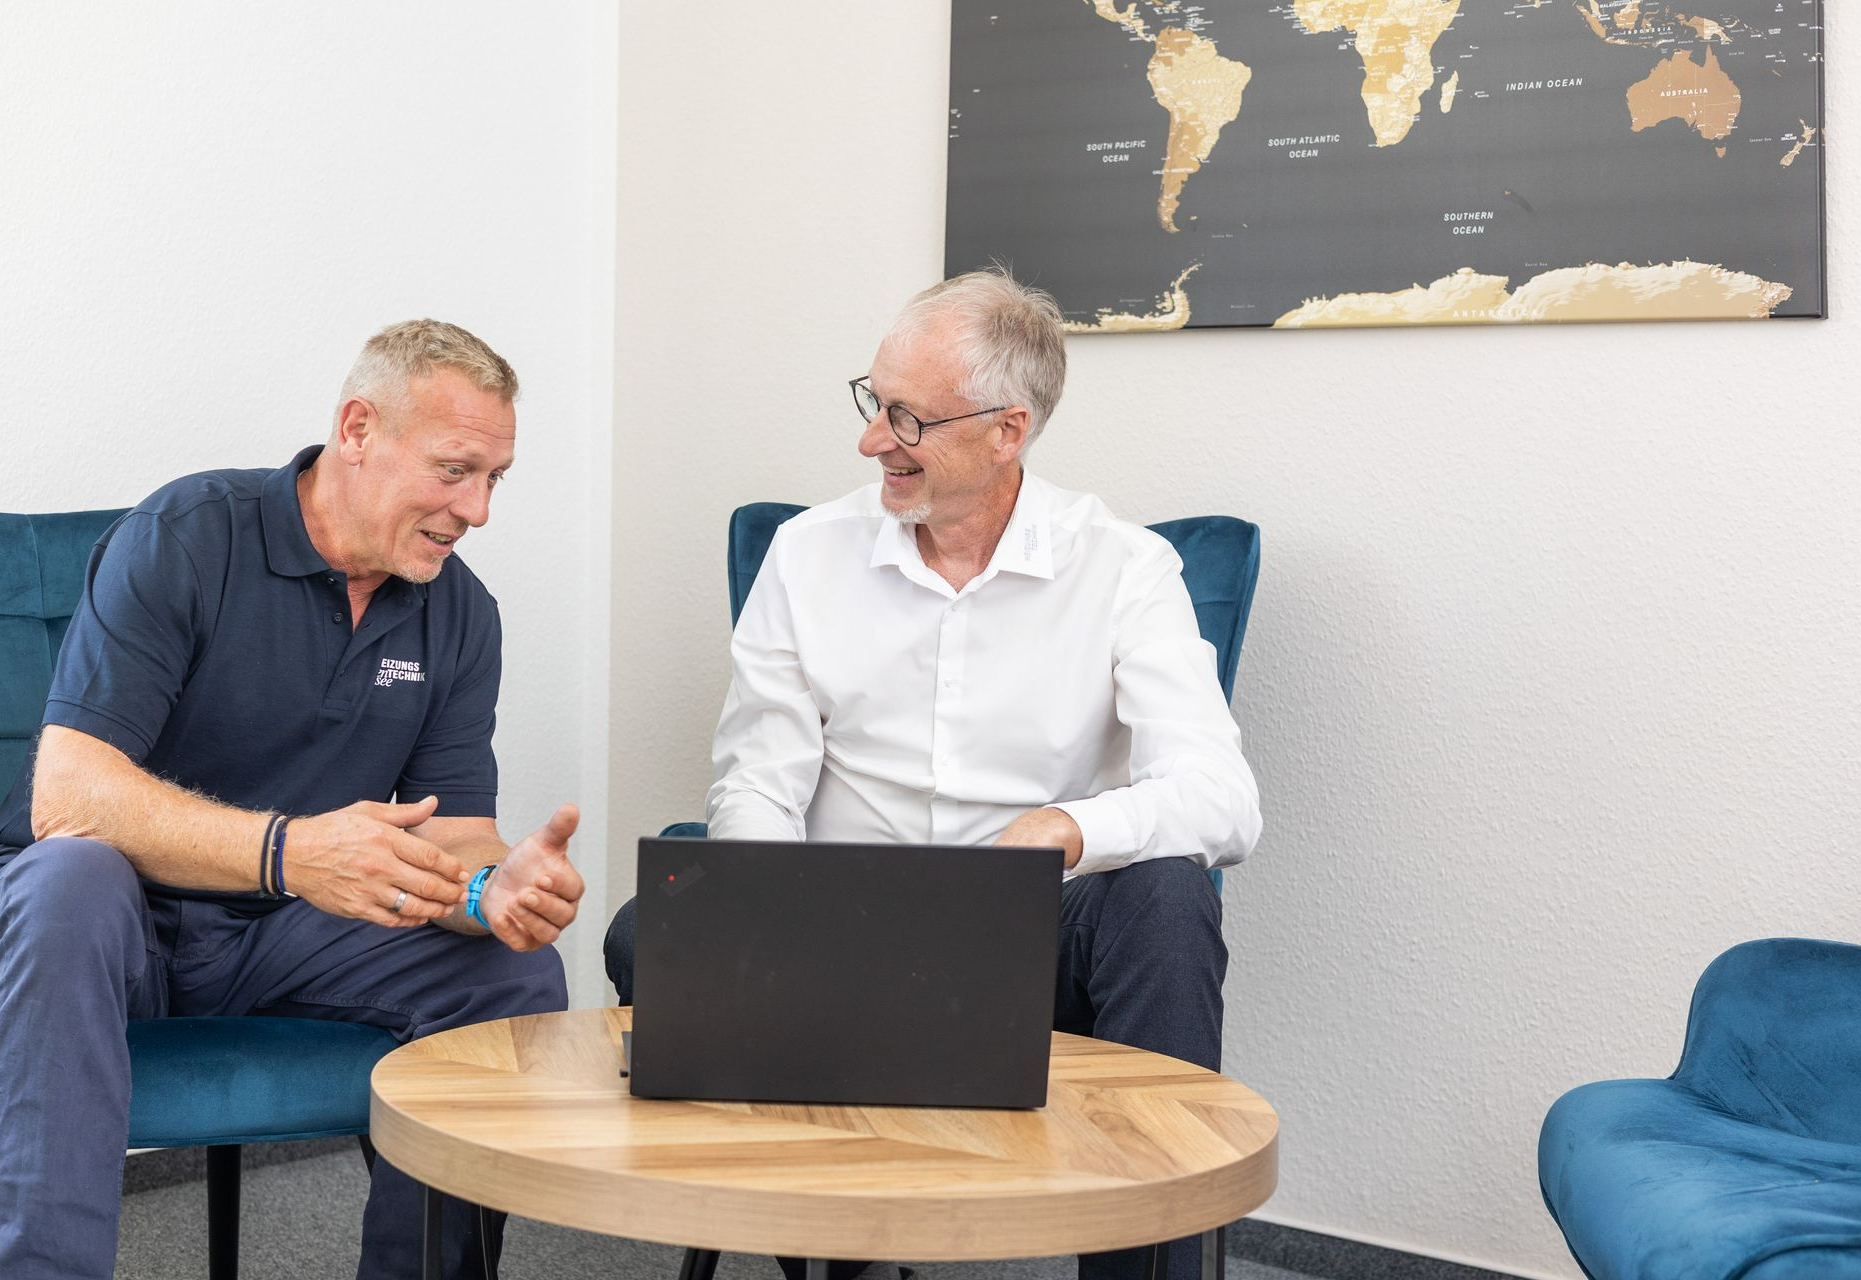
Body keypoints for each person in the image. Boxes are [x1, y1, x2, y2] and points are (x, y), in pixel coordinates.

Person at [603, 270, 1262, 1280]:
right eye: (873, 400)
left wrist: (1066, 829)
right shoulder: (806, 554)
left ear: (1009, 430)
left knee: (1168, 899)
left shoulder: (1124, 571)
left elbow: (1224, 801)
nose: (873, 441)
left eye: (907, 417)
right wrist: (766, 910)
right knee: (647, 927)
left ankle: (1145, 1264)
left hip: (1029, 937)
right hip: (835, 928)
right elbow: (756, 781)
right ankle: (823, 1228)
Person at [0, 319, 585, 1280]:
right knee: (69, 876)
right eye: (453, 470)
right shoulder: (186, 536)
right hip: (117, 928)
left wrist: (497, 890)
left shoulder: (458, 612)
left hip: (286, 934)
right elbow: (68, 795)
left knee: (512, 978)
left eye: (495, 479)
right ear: (358, 429)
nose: (476, 508)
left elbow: (460, 838)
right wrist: (289, 851)